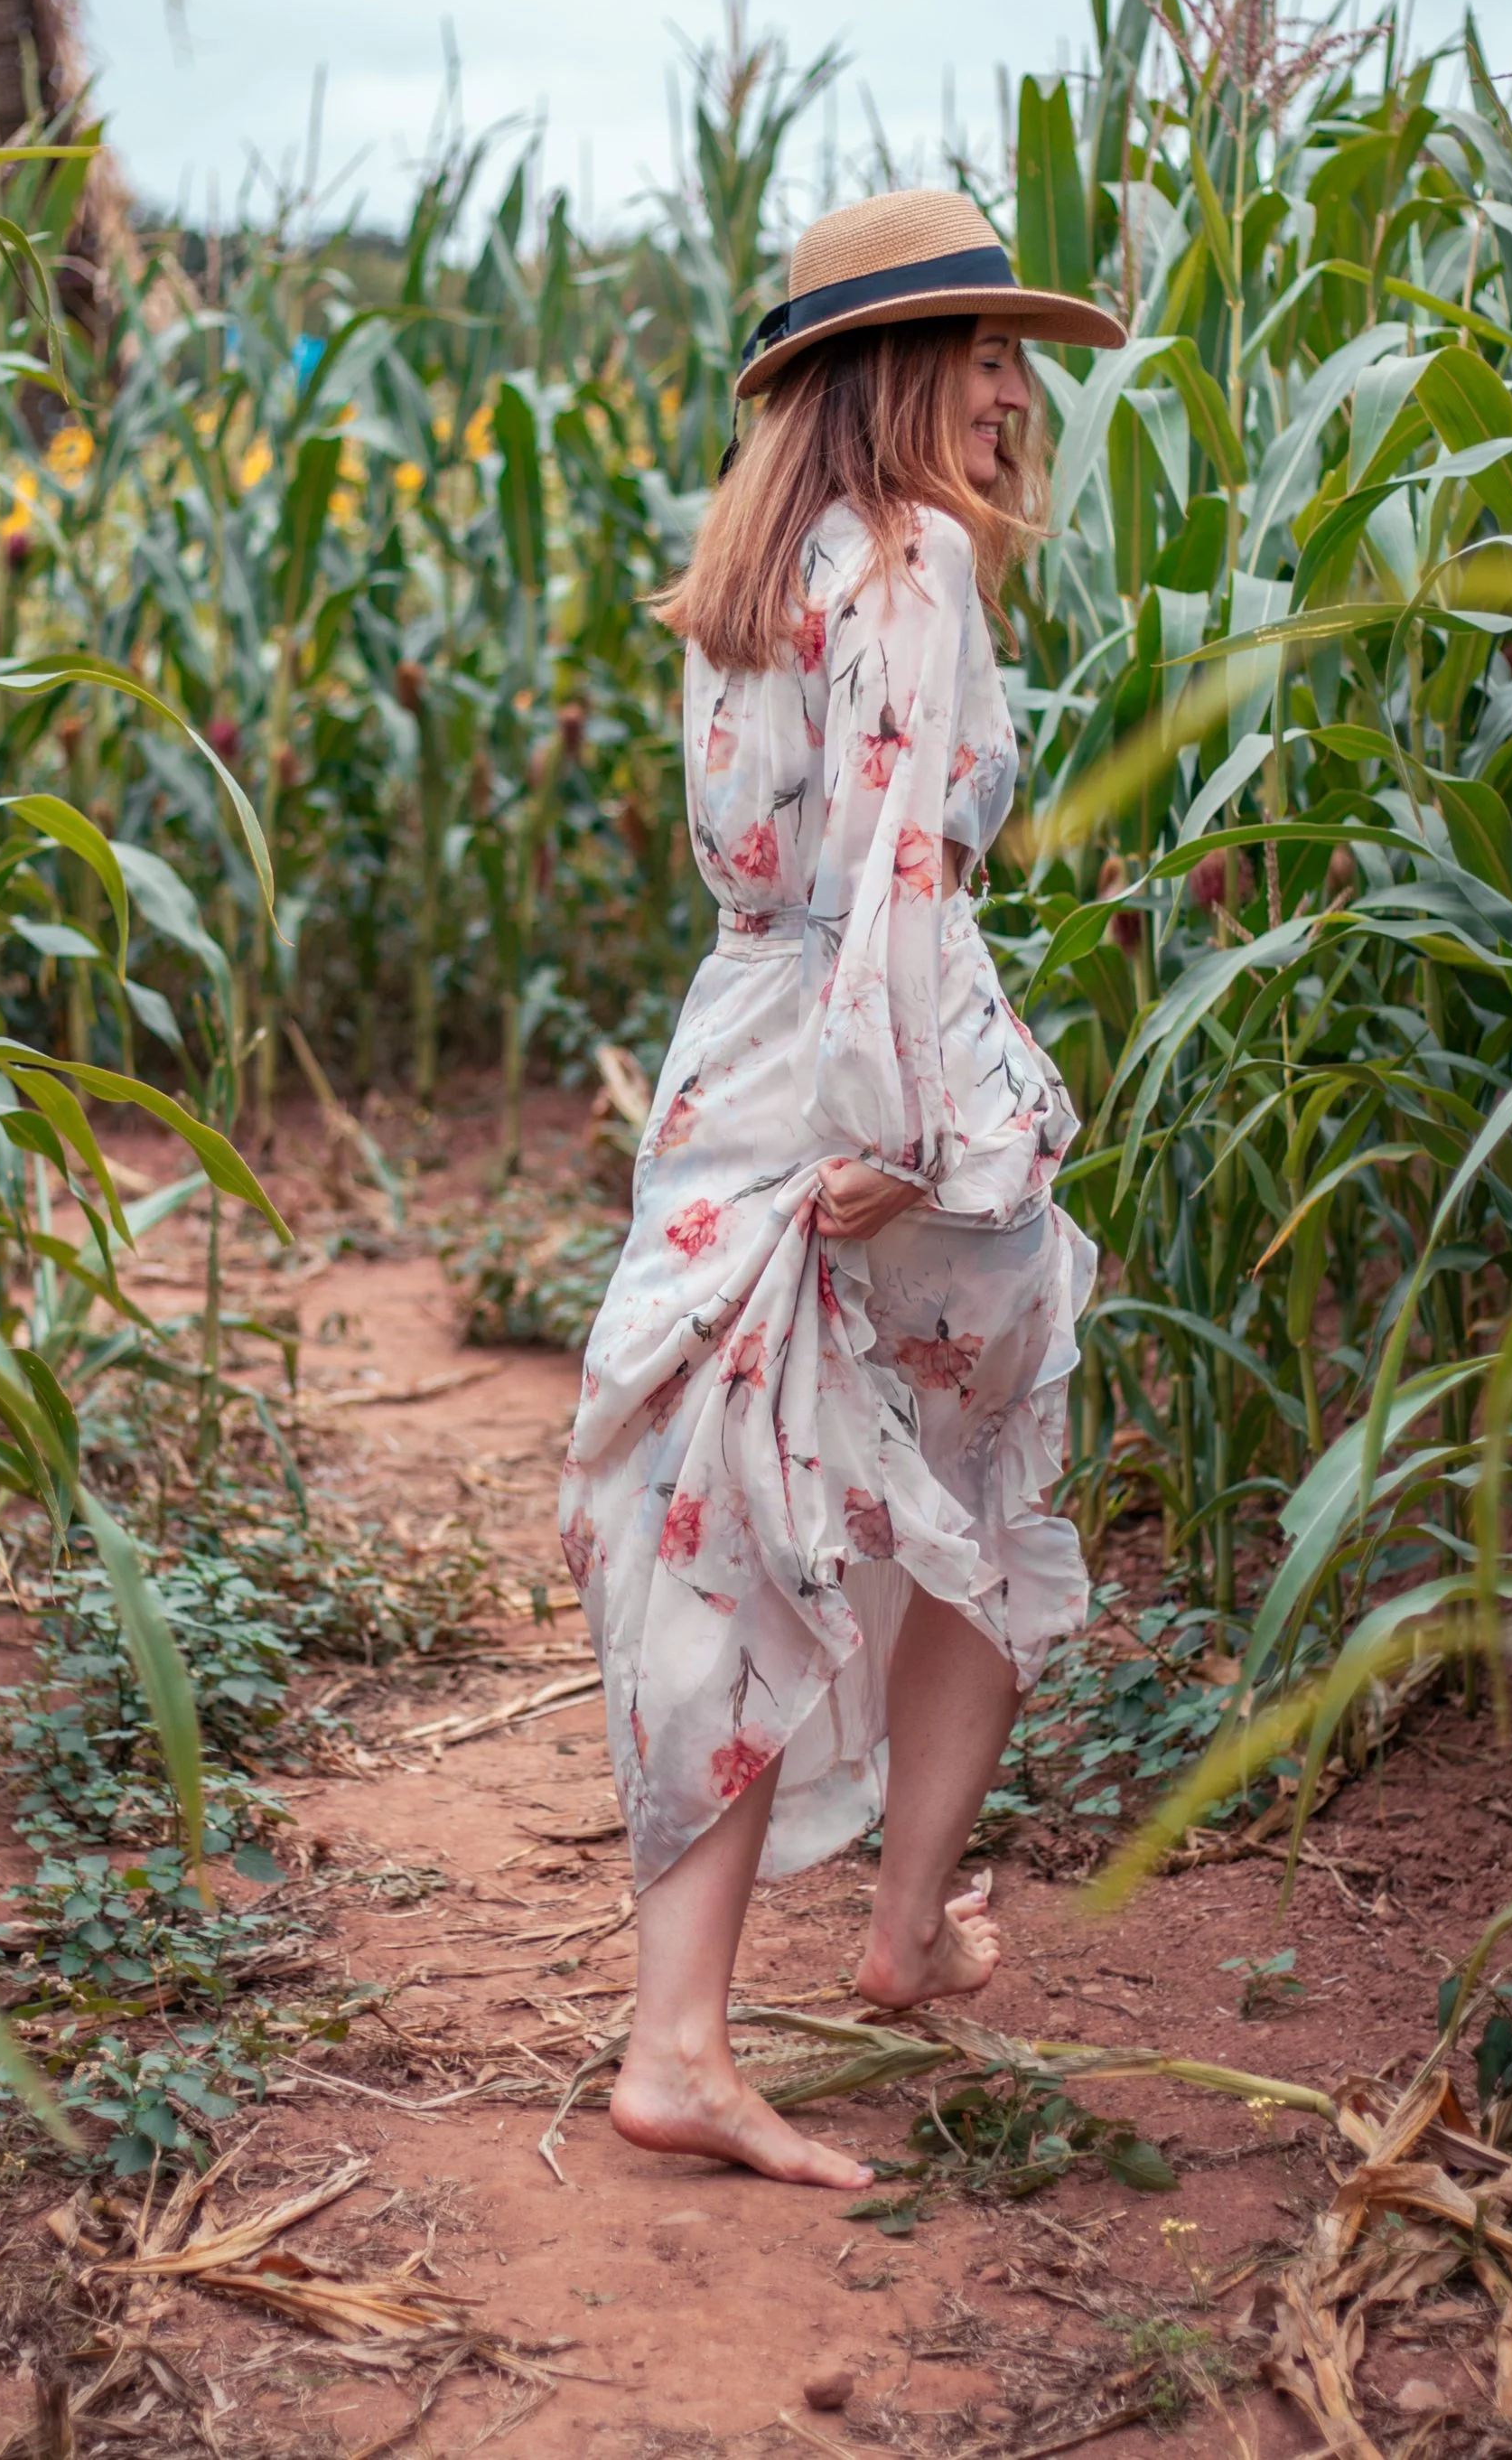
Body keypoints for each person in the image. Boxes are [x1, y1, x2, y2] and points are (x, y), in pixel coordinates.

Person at [556, 185, 1125, 2189]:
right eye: (974, 352)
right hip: (880, 1087)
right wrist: (904, 1137)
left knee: (716, 1512)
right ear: (881, 373)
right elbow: (892, 869)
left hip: (734, 1071)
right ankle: (884, 1942)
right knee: (961, 1496)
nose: (1005, 391)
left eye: (1013, 358)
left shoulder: (759, 568)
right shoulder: (906, 567)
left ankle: (686, 2034)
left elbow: (781, 876)